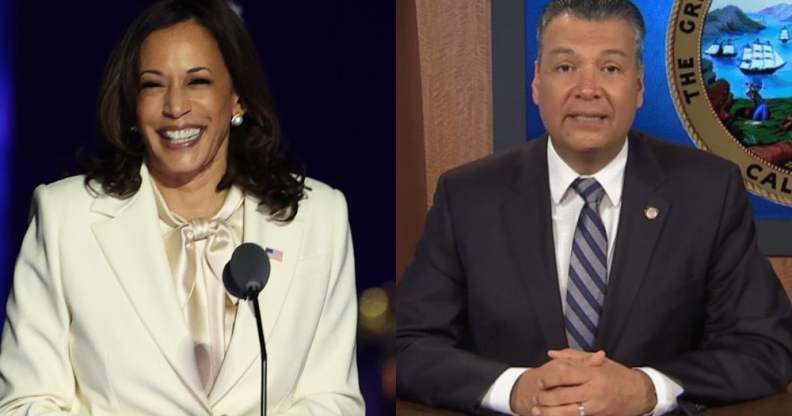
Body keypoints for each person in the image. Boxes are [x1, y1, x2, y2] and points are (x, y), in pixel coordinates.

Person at [396, 0, 792, 415]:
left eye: (611, 68)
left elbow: (765, 347)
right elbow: (407, 345)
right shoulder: (468, 197)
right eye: (565, 67)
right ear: (537, 83)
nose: (588, 89)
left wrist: (646, 389)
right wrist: (515, 389)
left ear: (639, 86)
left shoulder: (708, 192)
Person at [0, 0, 364, 414]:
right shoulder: (65, 217)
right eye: (153, 85)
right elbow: (24, 404)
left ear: (238, 98)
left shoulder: (319, 218)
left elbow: (334, 400)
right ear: (133, 104)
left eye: (198, 81)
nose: (175, 107)